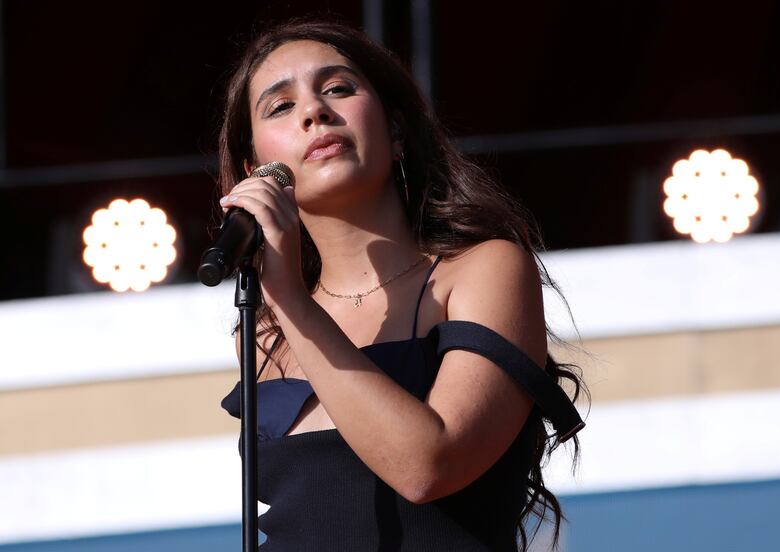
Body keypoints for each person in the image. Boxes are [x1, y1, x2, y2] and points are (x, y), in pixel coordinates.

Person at [218, 19, 586, 551]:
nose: (314, 112)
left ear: (394, 132)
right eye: (280, 107)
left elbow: (427, 468)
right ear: (256, 171)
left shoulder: (483, 270)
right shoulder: (262, 332)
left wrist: (294, 300)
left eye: (338, 89)